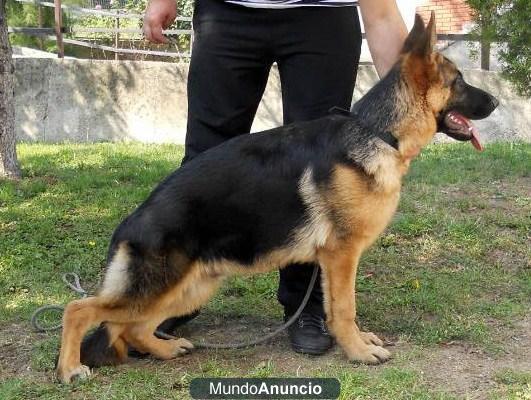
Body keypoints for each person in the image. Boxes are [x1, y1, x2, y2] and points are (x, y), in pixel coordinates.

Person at [143, 0, 407, 356]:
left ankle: (308, 307)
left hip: (322, 16)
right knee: (204, 161)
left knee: (322, 173)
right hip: (228, 12)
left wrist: (419, 96)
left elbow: (382, 15)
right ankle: (174, 291)